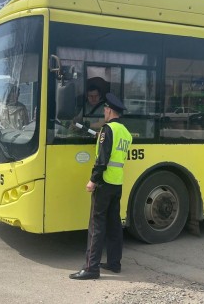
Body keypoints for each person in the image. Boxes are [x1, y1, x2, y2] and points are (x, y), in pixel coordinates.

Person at [69, 93, 133, 280]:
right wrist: (101, 137)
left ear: (109, 110)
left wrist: (93, 180)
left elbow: (103, 159)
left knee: (96, 225)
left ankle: (91, 268)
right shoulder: (125, 133)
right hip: (117, 183)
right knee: (114, 225)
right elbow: (115, 153)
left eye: (105, 109)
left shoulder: (108, 130)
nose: (104, 112)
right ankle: (114, 263)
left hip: (104, 183)